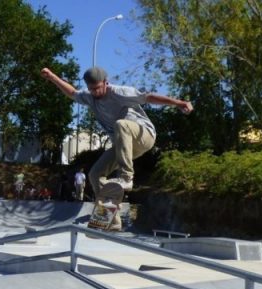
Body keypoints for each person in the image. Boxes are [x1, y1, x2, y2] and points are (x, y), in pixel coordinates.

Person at [41, 66, 193, 228]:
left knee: (121, 125)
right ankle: (112, 220)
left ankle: (127, 176)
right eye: (91, 89)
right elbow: (72, 93)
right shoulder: (89, 97)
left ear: (106, 83)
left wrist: (178, 103)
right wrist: (52, 77)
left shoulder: (119, 92)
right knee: (95, 174)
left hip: (144, 135)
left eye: (98, 88)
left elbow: (148, 97)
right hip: (124, 145)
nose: (95, 92)